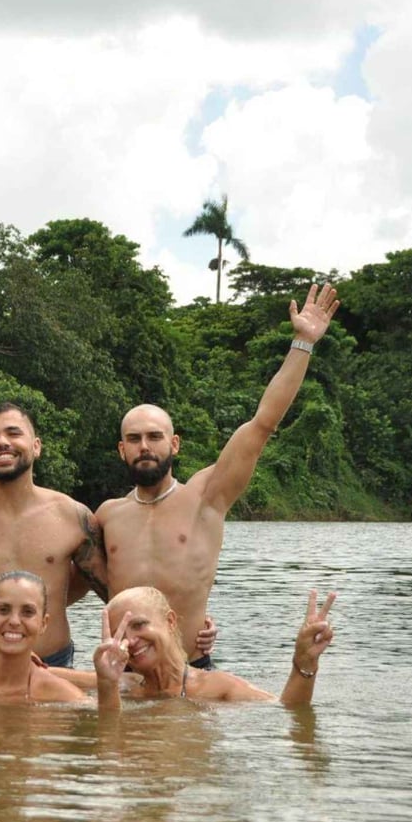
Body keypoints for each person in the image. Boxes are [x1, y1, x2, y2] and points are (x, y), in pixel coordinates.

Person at [94, 284, 339, 666]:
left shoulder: (206, 496)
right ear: (121, 449)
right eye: (134, 438)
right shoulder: (106, 515)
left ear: (174, 445)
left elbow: (262, 425)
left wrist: (302, 344)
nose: (145, 446)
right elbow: (77, 581)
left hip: (191, 668)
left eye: (155, 437)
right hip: (124, 669)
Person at [0, 403, 106, 667]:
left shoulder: (74, 517)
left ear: (36, 446)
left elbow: (110, 590)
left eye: (13, 433)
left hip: (55, 663)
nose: (2, 442)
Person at [90, 585, 334, 708]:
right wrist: (106, 685)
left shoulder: (216, 687)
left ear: (170, 621)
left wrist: (303, 662)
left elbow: (287, 710)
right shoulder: (120, 687)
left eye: (140, 625)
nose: (131, 641)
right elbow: (52, 679)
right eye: (120, 633)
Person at [0, 571, 87, 703]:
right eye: (3, 610)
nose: (14, 621)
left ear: (43, 624)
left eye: (28, 612)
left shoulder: (62, 695)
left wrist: (106, 685)